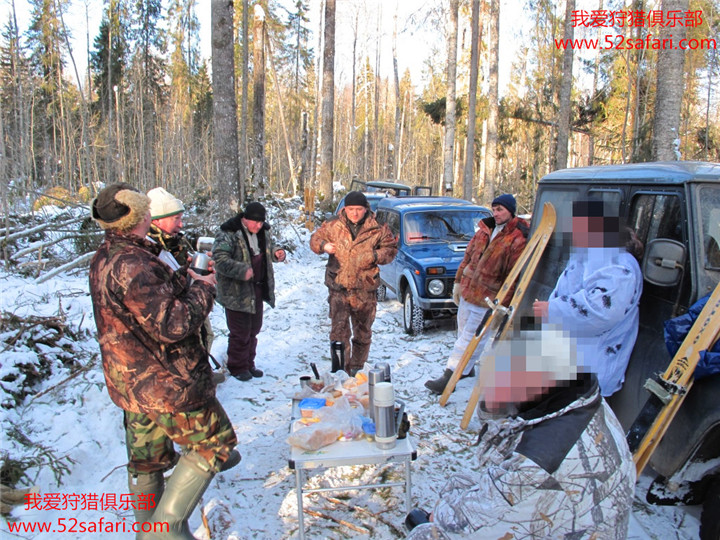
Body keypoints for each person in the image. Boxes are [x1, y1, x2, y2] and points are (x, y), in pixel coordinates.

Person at [88, 183, 239, 540]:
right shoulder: (133, 264)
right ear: (141, 215)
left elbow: (144, 309)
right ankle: (165, 530)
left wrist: (183, 278)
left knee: (148, 460)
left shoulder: (108, 256)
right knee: (214, 443)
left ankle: (147, 534)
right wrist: (204, 286)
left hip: (132, 385)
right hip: (166, 383)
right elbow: (174, 324)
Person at [406, 326, 636, 539]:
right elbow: (496, 464)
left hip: (565, 524)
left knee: (422, 531)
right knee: (458, 487)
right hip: (577, 517)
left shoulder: (537, 461)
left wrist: (436, 519)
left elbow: (479, 522)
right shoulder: (584, 400)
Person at [533, 199, 643, 397]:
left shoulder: (619, 265)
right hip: (568, 361)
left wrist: (553, 310)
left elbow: (601, 311)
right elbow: (569, 290)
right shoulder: (589, 254)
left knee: (578, 423)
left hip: (592, 364)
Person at [425, 194, 529, 394]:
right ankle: (467, 369)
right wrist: (457, 282)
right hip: (468, 290)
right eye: (494, 209)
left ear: (511, 211)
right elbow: (467, 257)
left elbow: (513, 276)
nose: (496, 213)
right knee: (462, 333)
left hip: (488, 298)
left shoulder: (516, 237)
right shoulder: (483, 230)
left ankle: (450, 376)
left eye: (501, 210)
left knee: (470, 339)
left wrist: (502, 306)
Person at [310, 191, 398, 375]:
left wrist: (375, 256)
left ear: (366, 209)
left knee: (363, 333)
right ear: (345, 208)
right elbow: (314, 240)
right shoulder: (333, 225)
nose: (355, 213)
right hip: (338, 288)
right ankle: (340, 371)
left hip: (365, 289)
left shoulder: (378, 228)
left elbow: (391, 249)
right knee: (339, 334)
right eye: (351, 209)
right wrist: (323, 246)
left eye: (359, 209)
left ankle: (357, 370)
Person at [147, 187, 219, 382]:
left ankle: (202, 375)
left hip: (192, 306)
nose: (181, 224)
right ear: (156, 220)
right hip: (178, 317)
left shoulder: (171, 243)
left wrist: (192, 267)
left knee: (207, 336)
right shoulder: (147, 252)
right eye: (176, 219)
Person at [213, 202, 286, 382]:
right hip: (236, 291)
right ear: (244, 218)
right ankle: (237, 366)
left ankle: (249, 363)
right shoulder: (228, 233)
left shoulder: (263, 232)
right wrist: (241, 270)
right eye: (255, 222)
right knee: (240, 331)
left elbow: (270, 247)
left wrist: (277, 253)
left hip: (258, 288)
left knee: (254, 328)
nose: (259, 226)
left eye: (261, 223)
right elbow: (220, 260)